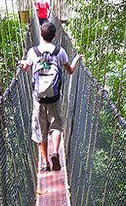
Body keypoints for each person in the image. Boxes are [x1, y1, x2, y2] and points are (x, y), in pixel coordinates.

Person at [19, 22, 82, 173]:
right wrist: (76, 59)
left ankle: (45, 163)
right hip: (54, 97)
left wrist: (22, 63)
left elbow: (26, 68)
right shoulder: (60, 52)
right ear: (55, 36)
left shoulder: (33, 52)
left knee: (41, 131)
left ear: (40, 34)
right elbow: (70, 71)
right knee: (56, 126)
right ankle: (55, 153)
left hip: (39, 98)